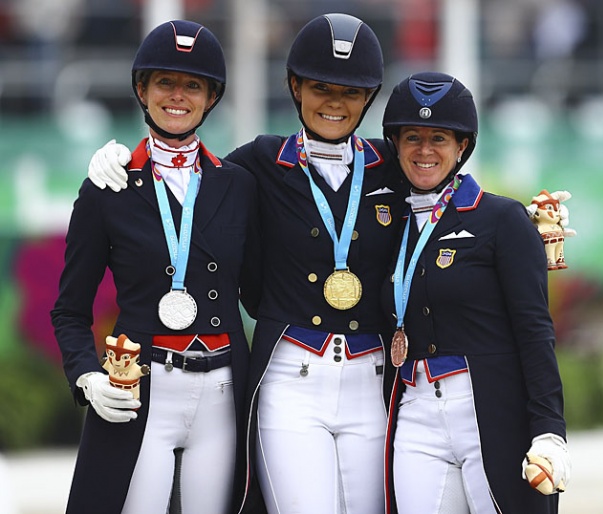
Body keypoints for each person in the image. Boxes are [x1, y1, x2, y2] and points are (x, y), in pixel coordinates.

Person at [87, 13, 408, 514]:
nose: (335, 102)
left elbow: (447, 193)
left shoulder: (392, 166)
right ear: (295, 86)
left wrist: (517, 222)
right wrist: (117, 158)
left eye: (351, 90)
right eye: (321, 86)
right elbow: (185, 168)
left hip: (370, 380)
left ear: (369, 97)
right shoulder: (257, 162)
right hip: (293, 372)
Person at [51, 20, 260, 514]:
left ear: (211, 97)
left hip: (223, 393)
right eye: (165, 81)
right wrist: (86, 378)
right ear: (142, 89)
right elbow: (70, 310)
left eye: (193, 85)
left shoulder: (238, 184)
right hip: (143, 390)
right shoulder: (108, 187)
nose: (178, 96)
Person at [380, 71, 571, 514]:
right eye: (412, 137)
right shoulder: (387, 225)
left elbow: (534, 331)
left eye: (439, 138)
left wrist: (549, 430)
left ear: (463, 145)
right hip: (415, 409)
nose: (424, 151)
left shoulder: (502, 219)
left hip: (488, 411)